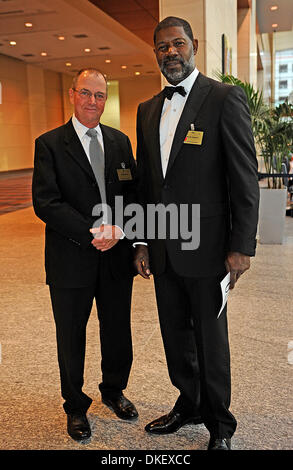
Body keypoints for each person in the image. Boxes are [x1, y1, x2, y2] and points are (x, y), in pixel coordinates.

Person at [134, 17, 259, 450]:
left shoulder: (224, 98)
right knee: (174, 335)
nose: (170, 52)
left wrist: (242, 246)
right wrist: (143, 240)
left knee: (211, 339)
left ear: (194, 46)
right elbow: (147, 185)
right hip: (165, 248)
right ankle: (189, 403)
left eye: (178, 43)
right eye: (162, 47)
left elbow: (244, 176)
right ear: (155, 53)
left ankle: (220, 426)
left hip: (208, 249)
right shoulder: (147, 109)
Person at [32, 68, 138, 441]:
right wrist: (92, 232)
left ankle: (114, 390)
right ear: (72, 94)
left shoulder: (121, 142)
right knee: (71, 334)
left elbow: (134, 197)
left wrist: (122, 231)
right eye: (86, 93)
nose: (93, 101)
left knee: (117, 330)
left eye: (100, 95)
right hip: (71, 257)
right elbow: (46, 202)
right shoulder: (49, 143)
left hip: (116, 257)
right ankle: (75, 405)